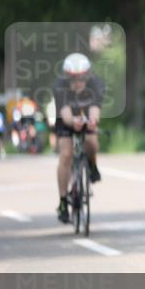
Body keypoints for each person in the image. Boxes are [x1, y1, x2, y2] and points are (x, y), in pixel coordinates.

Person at [53, 53, 105, 223]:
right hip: (66, 119)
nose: (78, 83)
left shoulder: (96, 84)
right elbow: (65, 112)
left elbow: (95, 108)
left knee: (91, 141)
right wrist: (72, 122)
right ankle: (62, 201)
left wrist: (92, 121)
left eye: (82, 78)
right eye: (74, 79)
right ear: (67, 77)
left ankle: (91, 164)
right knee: (66, 155)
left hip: (86, 115)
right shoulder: (59, 86)